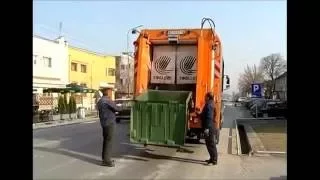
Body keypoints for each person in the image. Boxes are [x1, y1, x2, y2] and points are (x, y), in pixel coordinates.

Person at [97, 87, 119, 167]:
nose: (111, 93)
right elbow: (117, 108)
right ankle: (107, 160)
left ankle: (104, 159)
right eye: (110, 92)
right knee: (109, 141)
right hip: (110, 123)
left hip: (103, 123)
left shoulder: (100, 101)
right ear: (108, 92)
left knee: (106, 141)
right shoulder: (108, 100)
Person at [200, 92, 218, 165]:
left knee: (211, 143)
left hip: (209, 127)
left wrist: (207, 128)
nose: (204, 98)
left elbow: (209, 117)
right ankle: (211, 158)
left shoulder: (209, 104)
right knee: (208, 143)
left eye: (205, 96)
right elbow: (205, 115)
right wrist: (199, 114)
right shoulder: (210, 103)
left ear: (208, 97)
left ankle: (214, 160)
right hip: (210, 126)